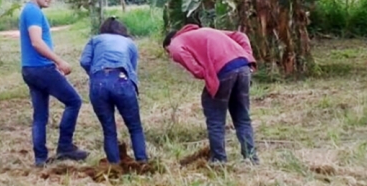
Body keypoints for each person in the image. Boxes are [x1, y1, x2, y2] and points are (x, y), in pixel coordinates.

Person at [163, 24, 258, 164]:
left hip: (223, 70)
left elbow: (182, 57)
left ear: (169, 43)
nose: (171, 56)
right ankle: (251, 158)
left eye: (168, 52)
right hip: (243, 67)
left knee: (215, 118)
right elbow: (240, 36)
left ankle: (219, 160)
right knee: (242, 117)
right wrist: (248, 56)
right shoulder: (205, 31)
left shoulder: (176, 43)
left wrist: (205, 73)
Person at [19, 0, 89, 166]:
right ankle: (65, 147)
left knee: (40, 115)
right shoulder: (33, 11)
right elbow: (36, 41)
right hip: (41, 69)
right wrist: (58, 61)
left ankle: (40, 158)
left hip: (29, 69)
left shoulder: (29, 10)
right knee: (74, 101)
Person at [80, 17, 148, 165]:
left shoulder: (95, 40)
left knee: (108, 129)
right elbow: (132, 68)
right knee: (135, 127)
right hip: (122, 81)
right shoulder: (129, 43)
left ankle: (114, 165)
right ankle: (142, 162)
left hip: (98, 84)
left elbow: (84, 61)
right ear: (122, 30)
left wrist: (95, 74)